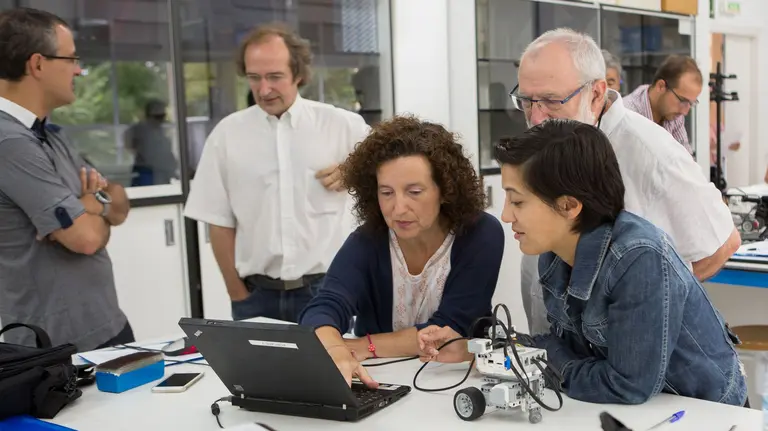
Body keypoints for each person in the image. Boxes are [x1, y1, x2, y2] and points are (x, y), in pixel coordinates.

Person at [420, 120, 748, 407]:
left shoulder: (638, 257)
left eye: (517, 201)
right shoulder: (554, 254)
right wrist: (480, 351)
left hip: (708, 415)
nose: (506, 215)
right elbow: (562, 348)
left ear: (569, 206)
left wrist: (549, 361)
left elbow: (627, 385)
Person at [507, 28, 740, 335]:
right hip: (556, 327)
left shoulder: (651, 154)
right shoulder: (555, 140)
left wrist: (640, 308)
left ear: (596, 94)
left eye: (552, 101)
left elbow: (722, 244)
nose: (536, 118)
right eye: (526, 101)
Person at [298, 115, 504, 388]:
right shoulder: (367, 241)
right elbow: (323, 308)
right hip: (381, 381)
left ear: (445, 190)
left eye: (414, 192)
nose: (398, 208)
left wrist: (362, 345)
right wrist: (336, 350)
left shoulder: (481, 234)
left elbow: (451, 330)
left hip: (454, 383)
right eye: (386, 193)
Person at [184, 22, 370, 322]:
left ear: (298, 74)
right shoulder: (227, 135)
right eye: (254, 78)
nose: (263, 89)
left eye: (274, 77)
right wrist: (236, 293)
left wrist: (354, 171)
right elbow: (218, 222)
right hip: (255, 297)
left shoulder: (342, 126)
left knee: (334, 357)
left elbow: (391, 175)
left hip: (329, 291)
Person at [0, 7, 133, 351]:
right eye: (71, 58)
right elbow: (86, 239)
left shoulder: (51, 135)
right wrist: (91, 208)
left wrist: (90, 204)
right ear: (37, 64)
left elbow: (119, 202)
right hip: (58, 348)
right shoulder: (10, 143)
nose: (78, 69)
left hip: (106, 326)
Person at [624, 55, 703, 155]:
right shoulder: (627, 115)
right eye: (682, 100)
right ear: (661, 86)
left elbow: (685, 159)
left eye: (690, 103)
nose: (685, 112)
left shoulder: (673, 114)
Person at [124, 99, 179, 186]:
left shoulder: (160, 132)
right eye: (158, 117)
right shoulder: (140, 129)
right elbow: (128, 143)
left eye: (162, 116)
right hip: (147, 173)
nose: (160, 120)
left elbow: (167, 155)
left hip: (159, 175)